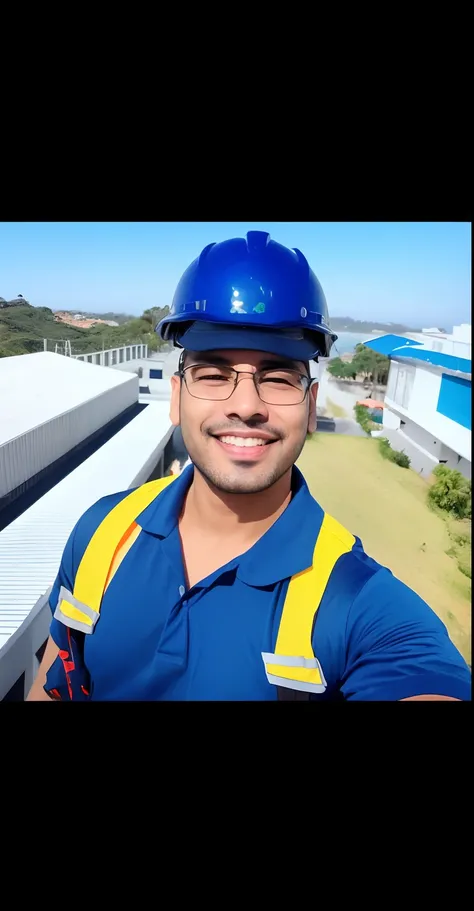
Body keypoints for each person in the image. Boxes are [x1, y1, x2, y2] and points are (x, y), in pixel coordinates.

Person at [26, 231, 471, 701]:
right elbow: (55, 679)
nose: (245, 405)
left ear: (311, 406)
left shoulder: (361, 606)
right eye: (214, 375)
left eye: (278, 377)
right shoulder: (102, 533)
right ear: (176, 398)